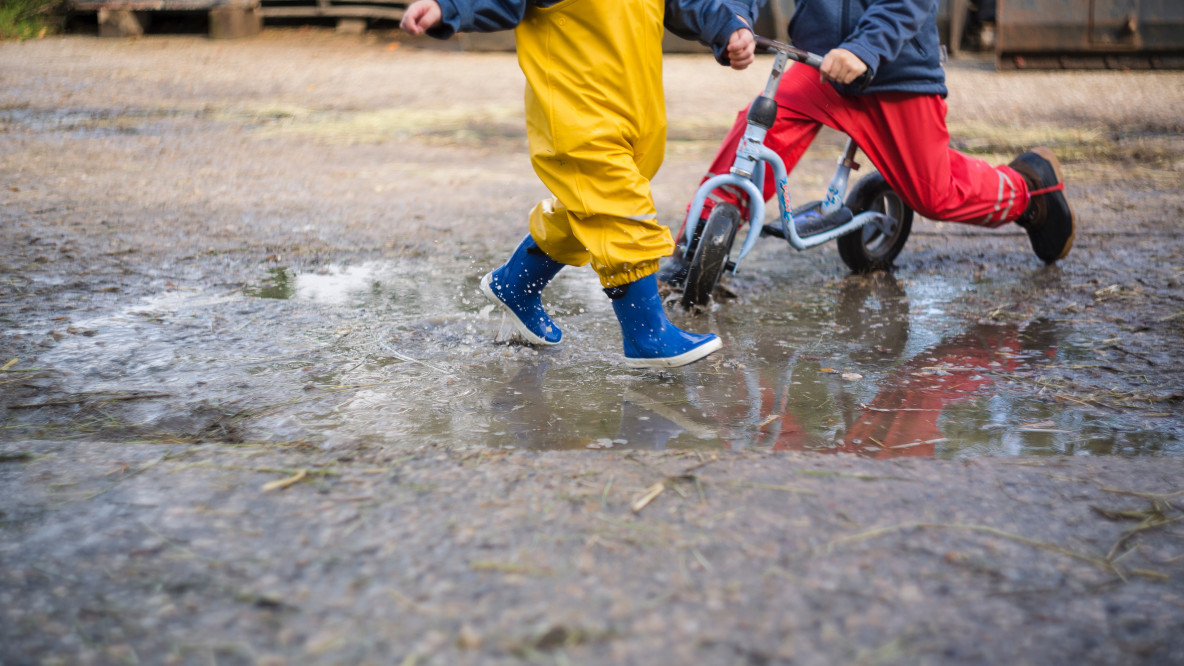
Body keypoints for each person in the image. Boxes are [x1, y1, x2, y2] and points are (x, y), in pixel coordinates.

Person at [400, 0, 761, 368]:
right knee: (618, 207)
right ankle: (646, 335)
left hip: (635, 107)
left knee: (588, 205)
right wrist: (448, 7)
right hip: (575, 108)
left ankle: (516, 283)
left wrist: (728, 25)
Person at [658, 0, 1075, 289]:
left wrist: (865, 47)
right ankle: (697, 245)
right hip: (818, 61)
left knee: (935, 194)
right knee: (758, 131)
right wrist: (732, 20)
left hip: (894, 69)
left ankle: (1027, 191)